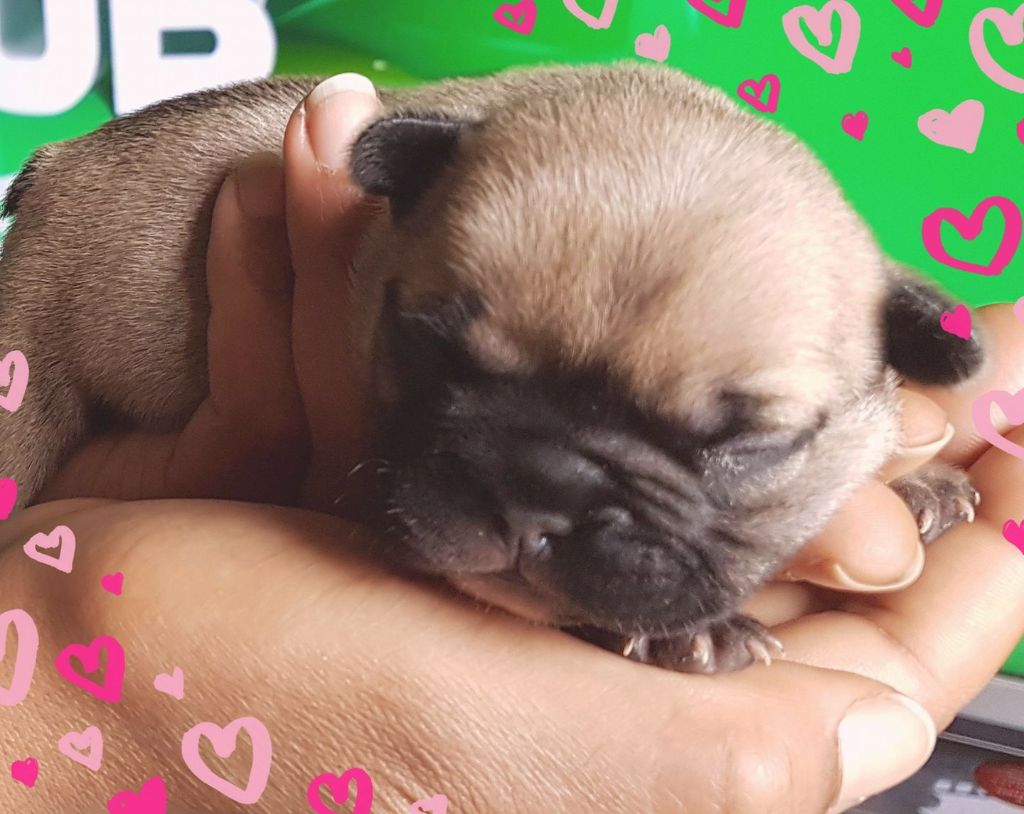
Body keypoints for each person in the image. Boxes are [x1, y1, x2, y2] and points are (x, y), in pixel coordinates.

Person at [1, 74, 1022, 814]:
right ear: (399, 193)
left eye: (732, 445)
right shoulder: (378, 189)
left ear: (902, 359)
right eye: (449, 356)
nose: (536, 511)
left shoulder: (831, 321)